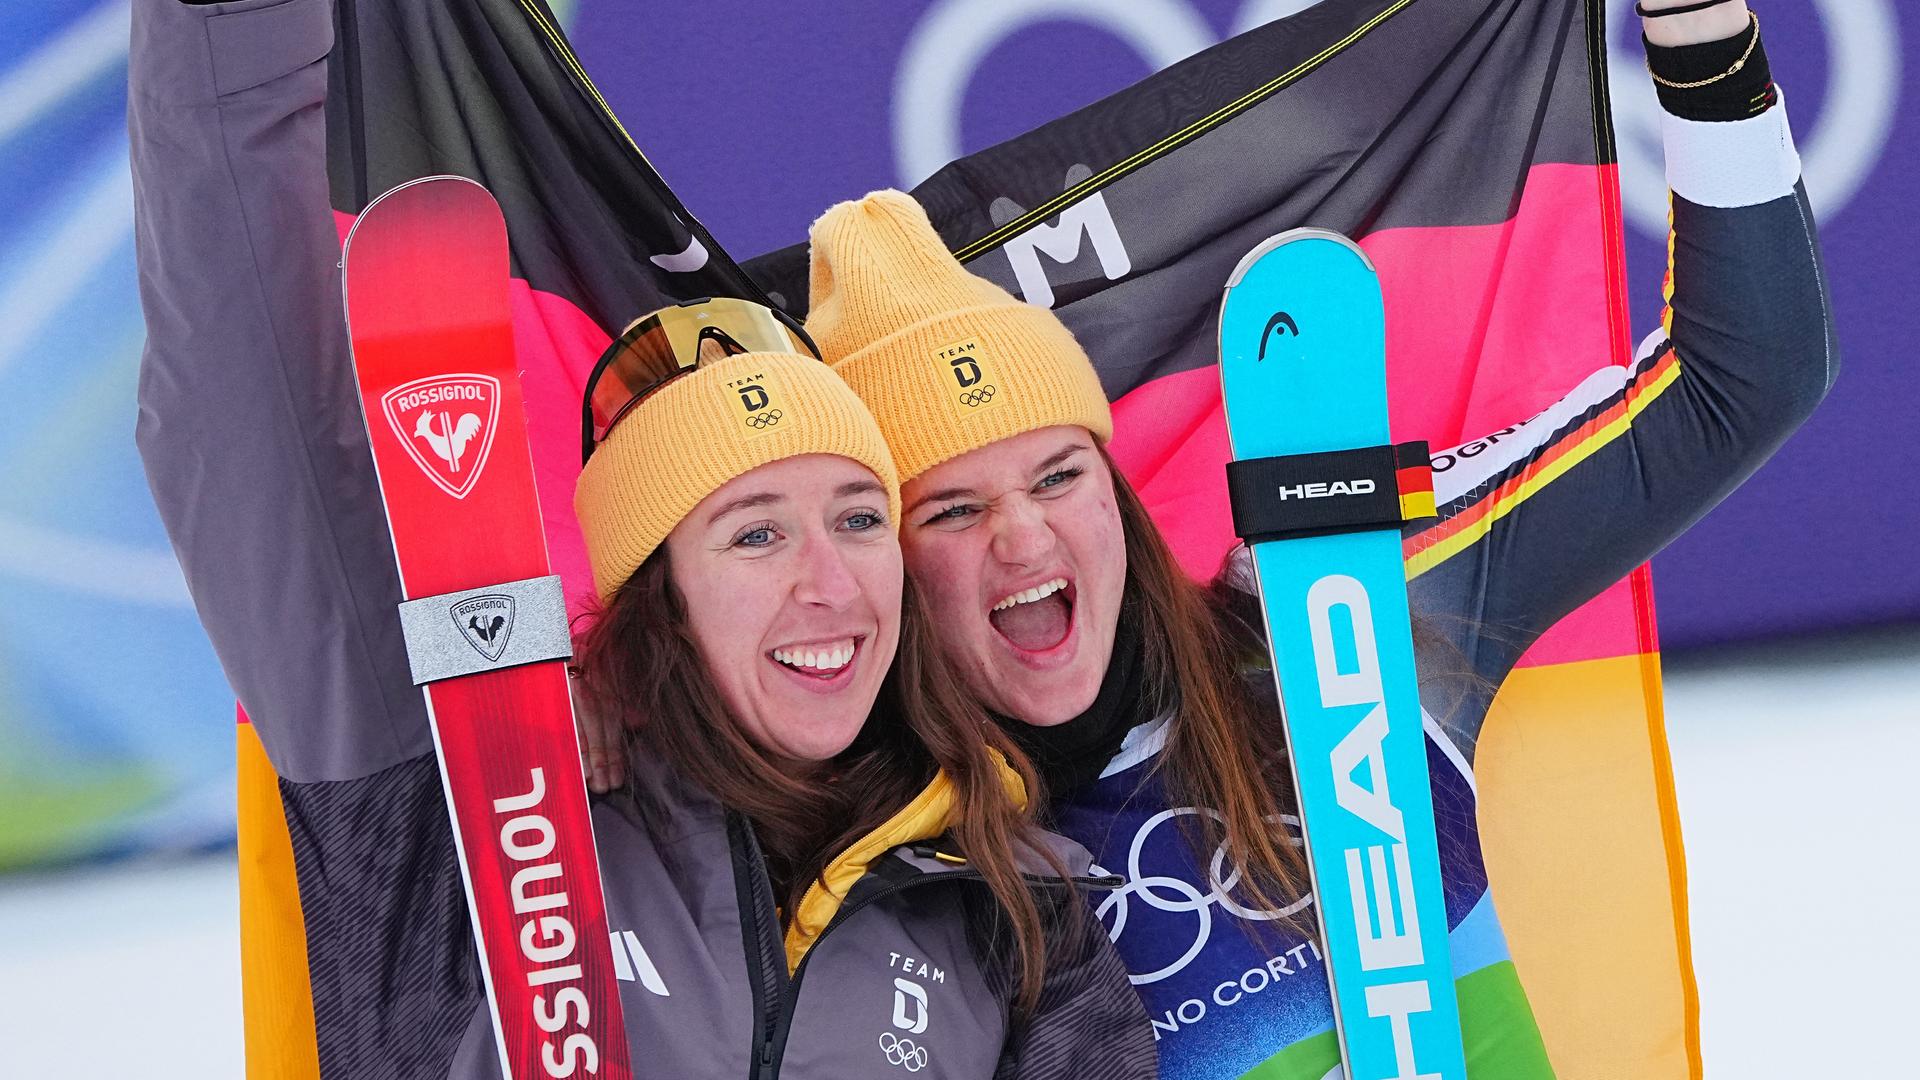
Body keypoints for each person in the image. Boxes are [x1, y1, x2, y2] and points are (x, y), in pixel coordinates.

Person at [793, 2, 1835, 1077]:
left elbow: (1749, 376)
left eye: (1060, 476)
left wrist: (1702, 36)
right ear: (885, 569)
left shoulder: (1343, 607)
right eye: (952, 510)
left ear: (1115, 497)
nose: (1024, 536)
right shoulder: (890, 870)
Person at [129, 1, 1156, 1077]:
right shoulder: (458, 808)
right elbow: (243, 398)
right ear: (659, 596)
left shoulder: (1015, 912)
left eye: (860, 518)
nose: (830, 582)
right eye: (754, 535)